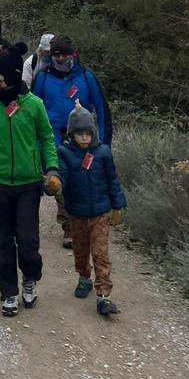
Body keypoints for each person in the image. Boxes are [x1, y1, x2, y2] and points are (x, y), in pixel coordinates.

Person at [0, 45, 60, 317]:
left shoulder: (34, 105)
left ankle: (30, 277)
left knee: (28, 239)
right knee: (4, 240)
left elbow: (46, 138)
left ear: (11, 76)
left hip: (29, 182)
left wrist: (52, 168)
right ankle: (8, 290)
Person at [32, 34, 112, 247]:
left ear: (72, 54)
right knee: (60, 182)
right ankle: (69, 226)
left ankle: (84, 222)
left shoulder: (86, 77)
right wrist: (35, 143)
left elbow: (102, 109)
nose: (59, 59)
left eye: (63, 54)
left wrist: (103, 141)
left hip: (83, 139)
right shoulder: (42, 77)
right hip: (53, 139)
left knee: (82, 181)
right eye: (55, 55)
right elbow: (31, 108)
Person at [57, 102, 126, 317]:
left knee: (100, 252)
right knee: (80, 250)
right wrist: (55, 182)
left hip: (100, 213)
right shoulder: (64, 153)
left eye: (88, 133)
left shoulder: (103, 152)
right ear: (72, 134)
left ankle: (104, 294)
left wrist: (117, 205)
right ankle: (84, 277)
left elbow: (112, 180)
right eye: (80, 134)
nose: (85, 138)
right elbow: (62, 177)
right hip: (77, 213)